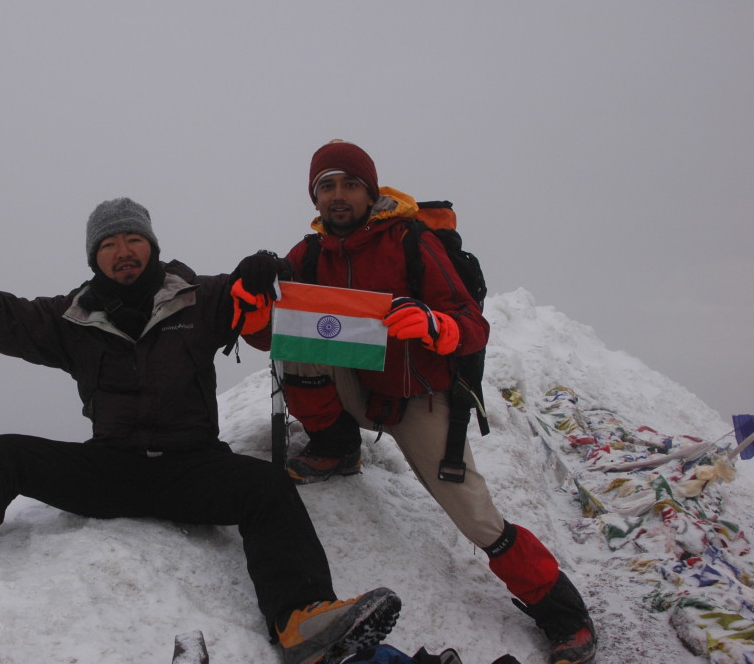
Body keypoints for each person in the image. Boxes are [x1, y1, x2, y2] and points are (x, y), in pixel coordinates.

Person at [0, 197, 401, 664]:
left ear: (151, 245)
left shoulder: (200, 298)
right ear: (94, 256)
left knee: (268, 488)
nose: (123, 252)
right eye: (109, 244)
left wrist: (262, 267)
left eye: (133, 239)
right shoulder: (70, 318)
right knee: (0, 452)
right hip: (110, 467)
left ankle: (301, 621)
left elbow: (255, 294)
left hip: (192, 466)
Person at [241, 141, 597, 664]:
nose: (338, 196)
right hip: (357, 387)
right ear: (315, 197)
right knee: (296, 353)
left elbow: (474, 326)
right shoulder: (308, 255)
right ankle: (336, 447)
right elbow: (280, 335)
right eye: (326, 186)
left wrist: (440, 326)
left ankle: (563, 613)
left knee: (477, 518)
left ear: (370, 190)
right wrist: (255, 320)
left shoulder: (410, 241)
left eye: (350, 184)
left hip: (418, 398)